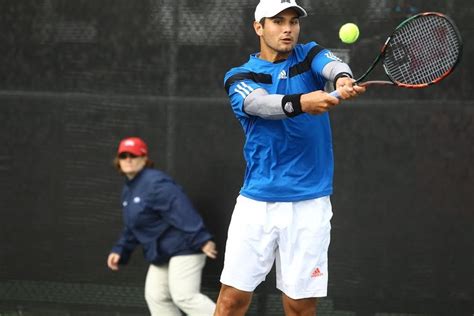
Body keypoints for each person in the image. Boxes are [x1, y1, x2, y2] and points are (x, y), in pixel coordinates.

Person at [214, 0, 366, 315]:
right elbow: (260, 105)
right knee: (231, 301)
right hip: (258, 203)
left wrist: (341, 79)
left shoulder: (309, 53)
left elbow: (332, 65)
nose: (287, 29)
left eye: (293, 22)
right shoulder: (240, 75)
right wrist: (302, 102)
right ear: (259, 27)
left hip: (309, 202)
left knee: (299, 306)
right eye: (278, 21)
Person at [107, 136, 217, 316]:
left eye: (133, 155)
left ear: (144, 158)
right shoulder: (129, 188)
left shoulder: (155, 182)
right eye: (123, 156)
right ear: (118, 161)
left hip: (185, 247)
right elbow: (134, 225)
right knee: (156, 296)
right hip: (162, 252)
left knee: (184, 296)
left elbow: (180, 209)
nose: (128, 160)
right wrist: (120, 250)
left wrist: (201, 239)